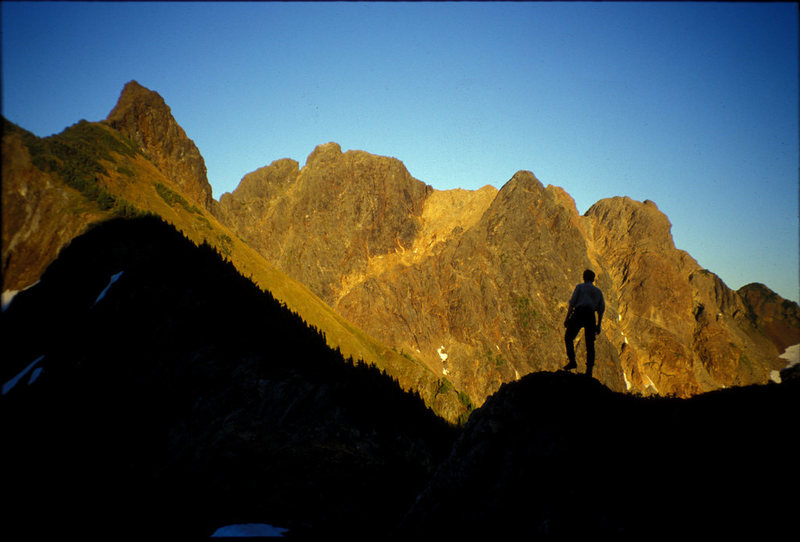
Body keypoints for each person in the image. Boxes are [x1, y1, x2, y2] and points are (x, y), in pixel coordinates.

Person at [563, 269, 605, 377]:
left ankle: (572, 361)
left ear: (584, 277)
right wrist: (598, 325)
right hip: (590, 316)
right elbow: (601, 309)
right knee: (590, 344)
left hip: (579, 313)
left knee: (568, 337)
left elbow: (572, 304)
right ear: (593, 279)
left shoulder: (580, 287)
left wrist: (567, 318)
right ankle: (589, 370)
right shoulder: (598, 292)